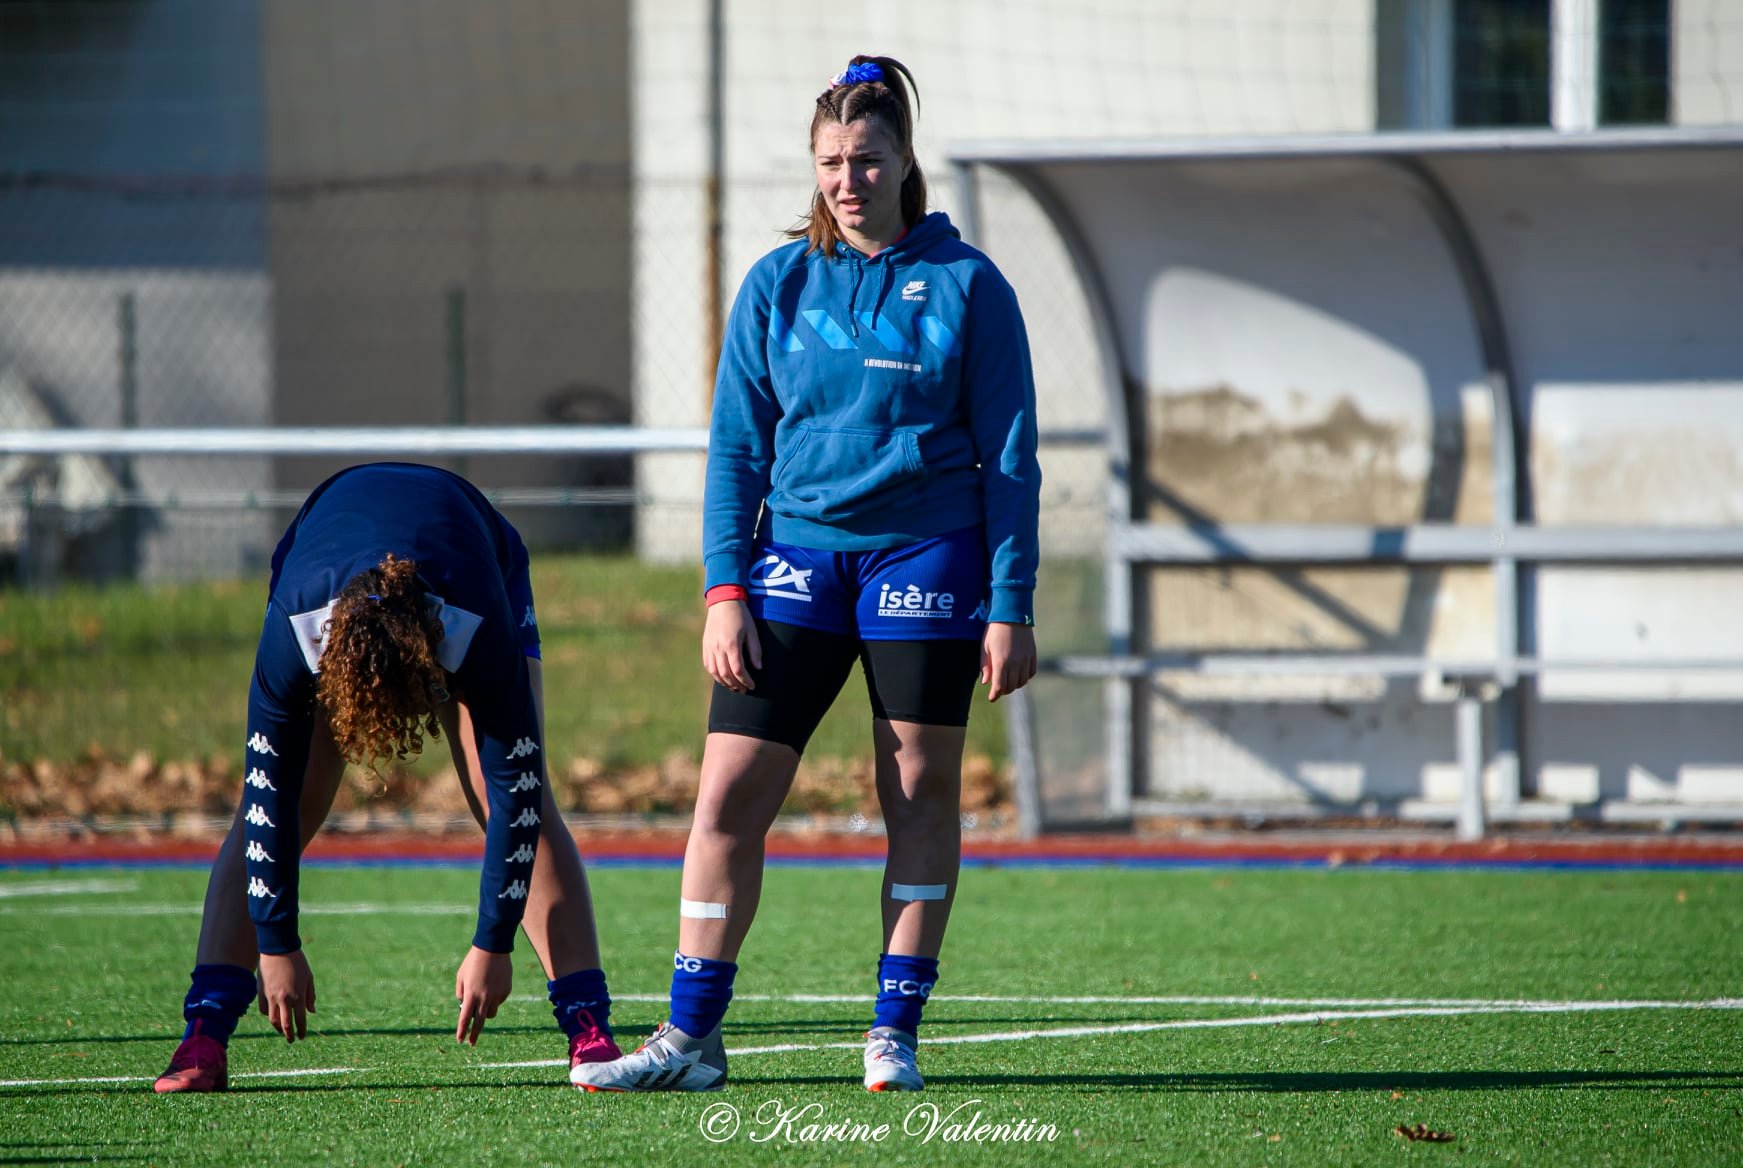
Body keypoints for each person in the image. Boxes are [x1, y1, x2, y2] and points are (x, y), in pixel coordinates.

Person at [572, 54, 1040, 1095]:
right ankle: (690, 1037)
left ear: (905, 159)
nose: (846, 179)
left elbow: (1011, 459)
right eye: (830, 160)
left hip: (929, 555)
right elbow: (737, 449)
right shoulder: (778, 283)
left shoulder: (971, 287)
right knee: (728, 795)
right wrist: (724, 588)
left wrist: (1010, 604)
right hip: (794, 563)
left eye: (867, 158)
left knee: (915, 791)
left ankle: (894, 1032)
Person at [153, 462, 621, 1093]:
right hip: (318, 544)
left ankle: (588, 1026)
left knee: (499, 791)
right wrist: (275, 944)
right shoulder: (295, 638)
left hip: (474, 555)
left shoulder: (473, 627)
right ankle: (204, 1034)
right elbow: (265, 796)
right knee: (292, 802)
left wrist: (494, 943)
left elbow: (520, 793)